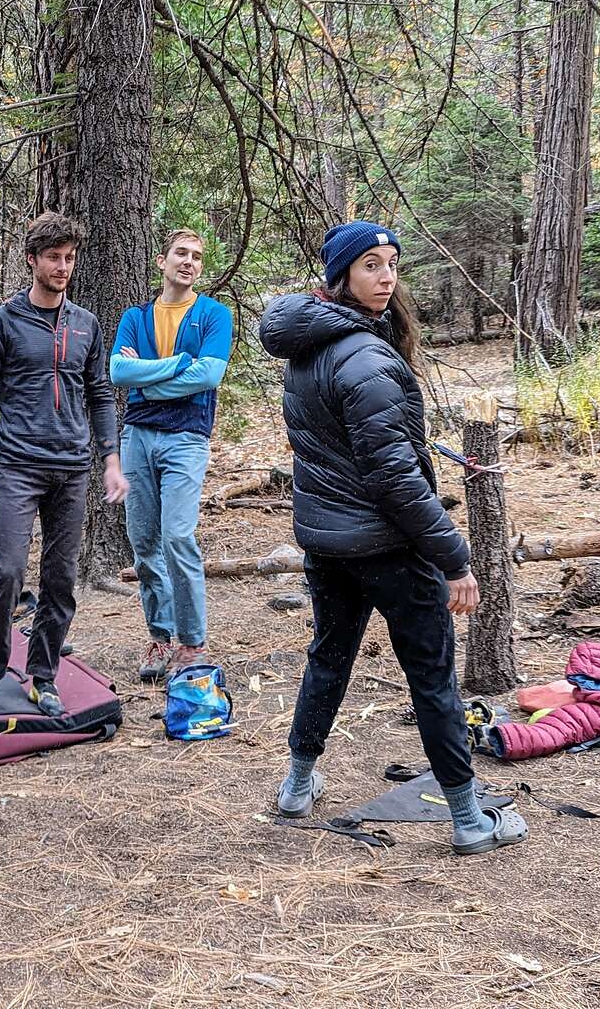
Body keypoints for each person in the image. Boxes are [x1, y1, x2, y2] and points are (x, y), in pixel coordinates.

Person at [258, 219, 527, 855]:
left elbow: (349, 452)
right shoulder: (369, 359)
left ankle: (297, 785)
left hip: (327, 543)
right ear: (341, 276)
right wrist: (454, 555)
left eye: (392, 265)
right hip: (388, 547)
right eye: (371, 265)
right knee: (432, 677)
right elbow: (396, 480)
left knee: (329, 655)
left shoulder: (308, 350)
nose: (387, 278)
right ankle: (468, 819)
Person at [0, 212, 128, 718]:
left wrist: (111, 460)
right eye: (53, 257)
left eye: (70, 258)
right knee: (6, 570)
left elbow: (100, 395)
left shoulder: (86, 324)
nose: (63, 266)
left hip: (73, 468)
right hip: (20, 466)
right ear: (32, 260)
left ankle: (43, 676)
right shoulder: (3, 322)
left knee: (60, 578)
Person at [109, 229, 233, 680]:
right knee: (144, 543)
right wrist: (178, 363)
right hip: (137, 437)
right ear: (162, 261)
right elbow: (118, 371)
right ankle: (160, 638)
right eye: (181, 253)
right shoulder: (136, 316)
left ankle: (192, 643)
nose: (189, 262)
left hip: (186, 437)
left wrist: (148, 380)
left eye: (197, 257)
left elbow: (209, 375)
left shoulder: (214, 315)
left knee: (177, 537)